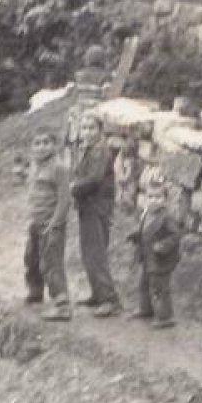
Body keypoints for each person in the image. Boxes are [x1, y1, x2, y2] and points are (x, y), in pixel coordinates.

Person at [71, 112, 121, 317]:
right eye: (84, 128)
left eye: (92, 128)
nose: (87, 132)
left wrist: (72, 187)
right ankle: (98, 293)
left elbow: (94, 179)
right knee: (88, 251)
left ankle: (110, 299)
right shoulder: (86, 150)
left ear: (100, 131)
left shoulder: (100, 151)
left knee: (96, 252)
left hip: (97, 206)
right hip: (87, 206)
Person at [24, 126, 72, 322]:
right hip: (35, 222)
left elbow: (64, 199)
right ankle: (36, 291)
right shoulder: (35, 165)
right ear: (32, 147)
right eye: (37, 143)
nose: (42, 147)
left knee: (51, 262)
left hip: (51, 224)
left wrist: (55, 224)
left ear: (54, 145)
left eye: (46, 142)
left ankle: (62, 305)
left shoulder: (58, 168)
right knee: (31, 258)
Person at [126, 171, 181, 329]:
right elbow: (144, 230)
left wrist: (163, 245)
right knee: (144, 284)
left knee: (159, 288)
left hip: (160, 259)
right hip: (147, 257)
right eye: (150, 197)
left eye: (158, 197)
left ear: (165, 200)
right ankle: (146, 309)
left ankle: (165, 316)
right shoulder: (146, 214)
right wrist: (135, 235)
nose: (153, 201)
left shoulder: (167, 217)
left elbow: (175, 235)